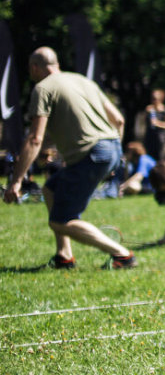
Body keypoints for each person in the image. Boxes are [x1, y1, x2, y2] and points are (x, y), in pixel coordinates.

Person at [2, 47, 138, 269]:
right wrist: (114, 159)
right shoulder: (83, 81)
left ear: (34, 68)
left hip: (92, 154)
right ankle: (64, 256)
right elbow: (119, 120)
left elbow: (35, 138)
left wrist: (16, 181)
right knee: (51, 190)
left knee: (61, 220)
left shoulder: (43, 88)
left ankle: (123, 255)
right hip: (111, 147)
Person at [143, 88, 165, 160]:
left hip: (159, 139)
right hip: (149, 138)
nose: (153, 100)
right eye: (152, 98)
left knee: (159, 158)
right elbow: (144, 122)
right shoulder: (149, 110)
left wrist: (158, 123)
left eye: (155, 98)